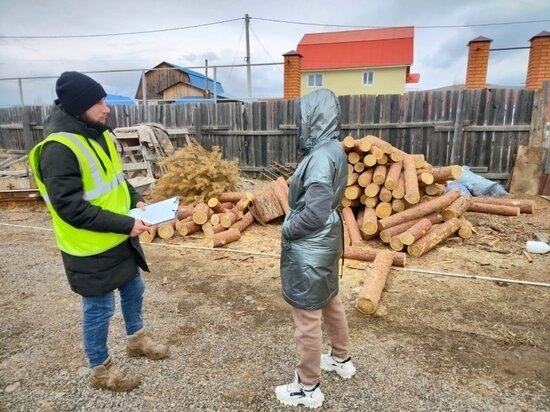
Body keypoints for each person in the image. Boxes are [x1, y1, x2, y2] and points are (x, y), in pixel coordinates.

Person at [28, 71, 168, 392]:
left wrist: (137, 200)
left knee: (134, 290)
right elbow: (70, 207)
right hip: (88, 246)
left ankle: (136, 340)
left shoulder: (100, 134)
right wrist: (127, 223)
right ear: (79, 107)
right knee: (99, 308)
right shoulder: (58, 149)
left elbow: (117, 180)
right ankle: (101, 369)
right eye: (99, 102)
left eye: (104, 100)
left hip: (118, 234)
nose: (106, 108)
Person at [275, 88, 356, 408]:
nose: (298, 123)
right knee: (330, 299)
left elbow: (317, 209)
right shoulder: (333, 148)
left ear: (312, 119)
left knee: (307, 316)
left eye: (302, 117)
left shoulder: (321, 155)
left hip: (310, 245)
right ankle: (341, 357)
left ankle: (307, 387)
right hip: (326, 241)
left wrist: (290, 229)